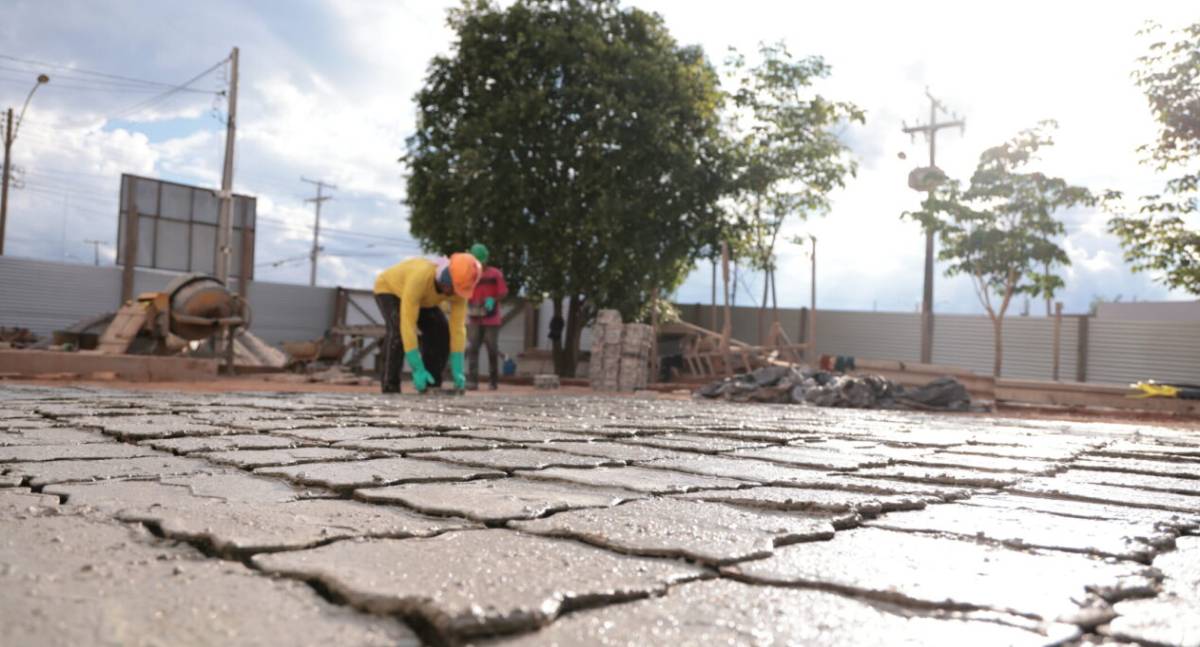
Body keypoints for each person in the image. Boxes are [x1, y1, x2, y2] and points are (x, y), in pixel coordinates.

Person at [373, 252, 481, 394]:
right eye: (455, 289)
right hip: (389, 289)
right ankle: (390, 386)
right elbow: (408, 325)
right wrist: (417, 368)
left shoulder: (459, 290)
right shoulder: (420, 278)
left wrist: (458, 369)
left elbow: (458, 329)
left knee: (440, 330)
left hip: (422, 298)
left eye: (461, 290)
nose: (457, 294)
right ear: (445, 279)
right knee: (398, 330)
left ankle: (432, 383)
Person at [466, 243, 508, 390]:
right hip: (474, 316)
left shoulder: (495, 274)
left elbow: (503, 292)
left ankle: (493, 381)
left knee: (492, 348)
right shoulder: (469, 275)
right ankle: (472, 381)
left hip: (491, 317)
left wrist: (493, 299)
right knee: (472, 348)